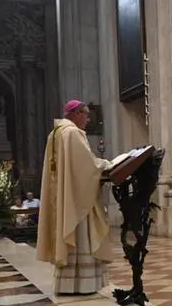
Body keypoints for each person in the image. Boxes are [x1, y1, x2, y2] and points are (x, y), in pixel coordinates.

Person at [36, 100, 114, 295]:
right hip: (76, 198)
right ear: (77, 114)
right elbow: (86, 166)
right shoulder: (72, 133)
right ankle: (83, 283)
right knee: (81, 236)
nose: (87, 120)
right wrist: (106, 164)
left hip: (66, 194)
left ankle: (68, 283)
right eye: (86, 115)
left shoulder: (55, 133)